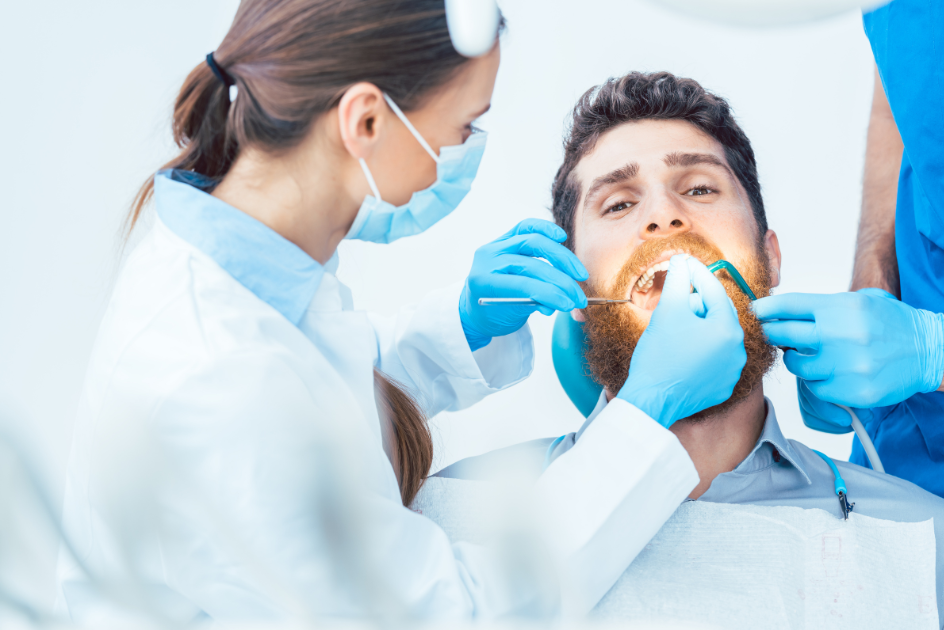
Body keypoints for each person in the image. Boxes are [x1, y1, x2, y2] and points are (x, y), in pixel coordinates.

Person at [54, 1, 750, 624]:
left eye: (697, 187)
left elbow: (324, 386)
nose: (664, 217)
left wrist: (467, 324)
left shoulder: (254, 261)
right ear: (364, 121)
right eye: (462, 126)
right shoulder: (220, 380)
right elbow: (458, 614)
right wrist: (647, 410)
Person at [437, 72, 944, 624]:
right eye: (617, 204)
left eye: (700, 188)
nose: (663, 216)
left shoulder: (919, 534)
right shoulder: (451, 514)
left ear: (770, 261)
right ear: (576, 292)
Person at [753, 0, 944, 498]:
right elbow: (904, 88)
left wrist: (933, 351)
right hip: (908, 428)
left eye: (699, 188)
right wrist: (872, 277)